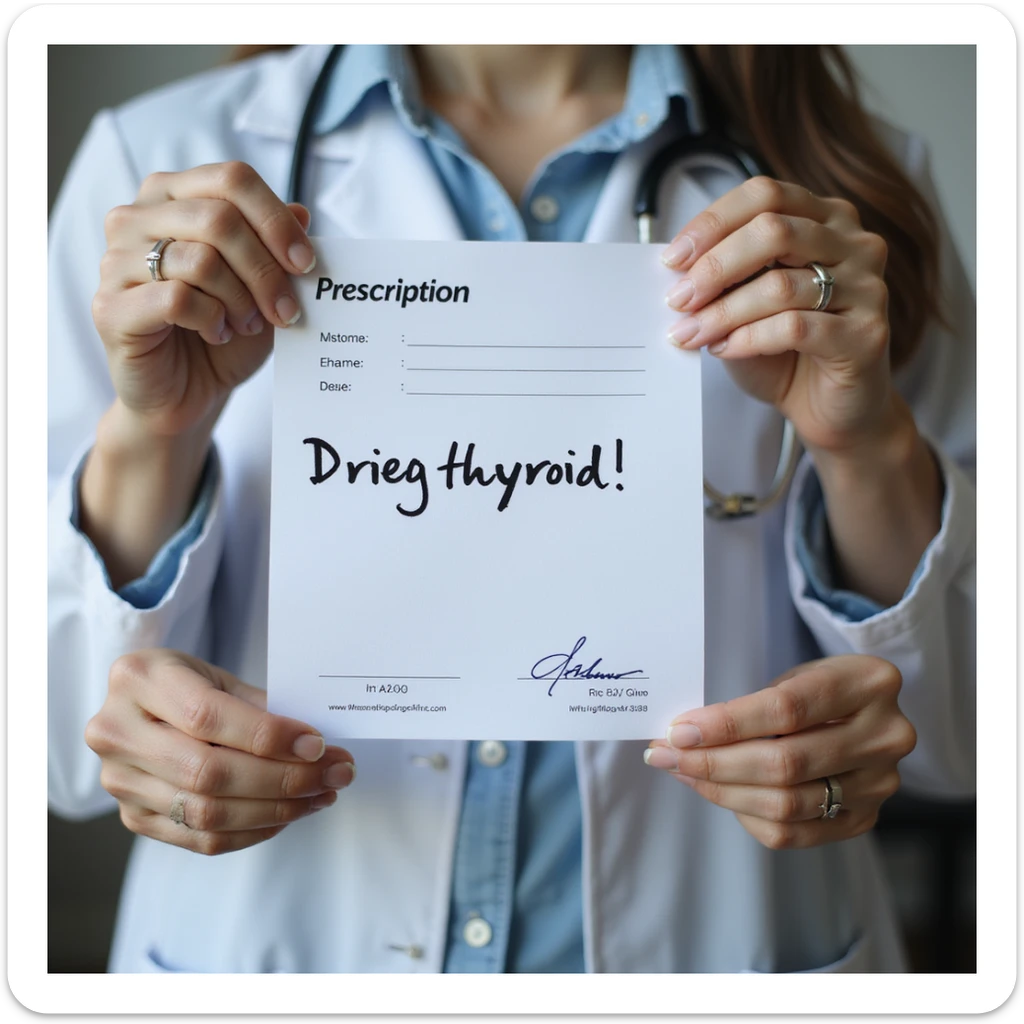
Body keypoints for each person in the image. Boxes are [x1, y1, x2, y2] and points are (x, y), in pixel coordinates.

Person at [47, 44, 975, 974]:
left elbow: (967, 732)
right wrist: (153, 432)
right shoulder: (156, 163)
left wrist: (869, 445)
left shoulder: (850, 187)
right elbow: (54, 745)